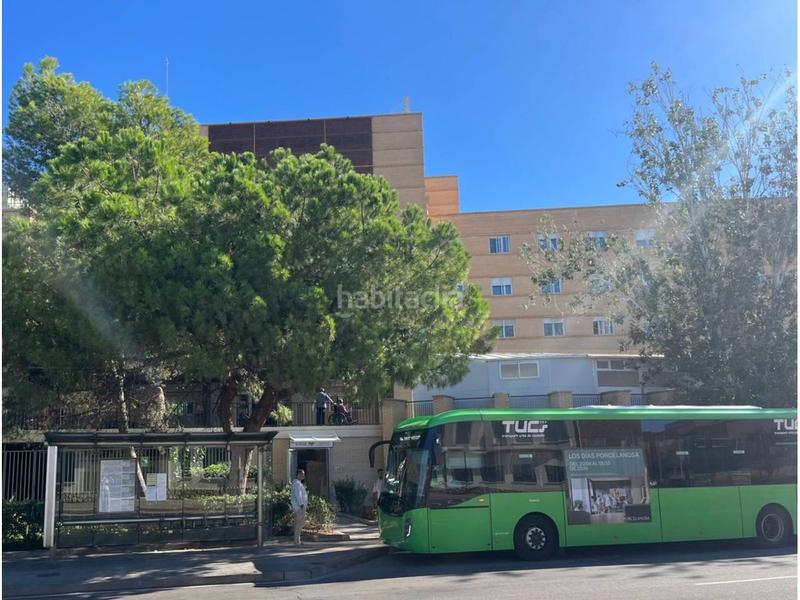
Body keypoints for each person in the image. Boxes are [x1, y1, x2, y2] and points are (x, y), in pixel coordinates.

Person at [291, 469, 308, 545]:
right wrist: (301, 504)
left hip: (299, 507)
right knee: (299, 524)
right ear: (298, 474)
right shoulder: (297, 484)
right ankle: (297, 541)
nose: (304, 476)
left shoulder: (298, 483)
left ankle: (298, 540)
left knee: (299, 524)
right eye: (302, 474)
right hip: (299, 507)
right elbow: (298, 495)